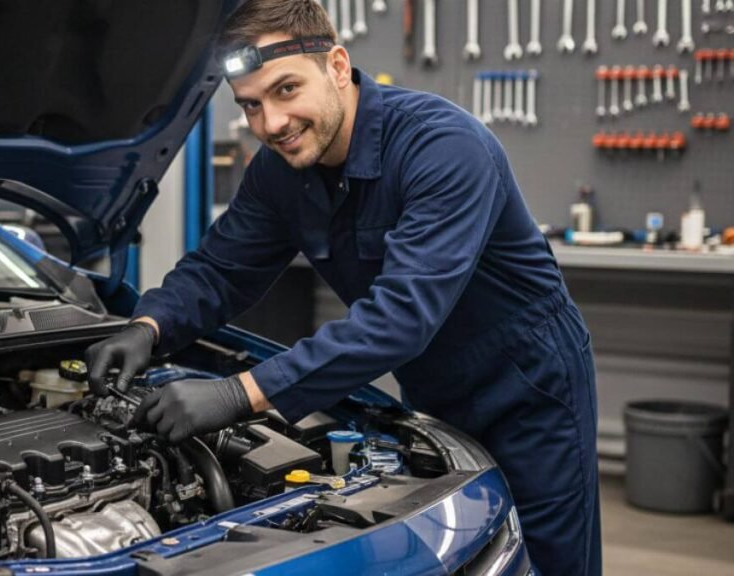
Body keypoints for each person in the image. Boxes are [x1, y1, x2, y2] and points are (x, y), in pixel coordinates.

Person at [84, 1, 600, 574]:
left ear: (335, 65)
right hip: (432, 385)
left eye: (286, 90)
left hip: (528, 387)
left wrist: (237, 394)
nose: (271, 123)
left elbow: (399, 318)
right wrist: (148, 326)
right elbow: (219, 269)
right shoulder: (278, 171)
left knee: (548, 557)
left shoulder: (444, 147)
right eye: (251, 105)